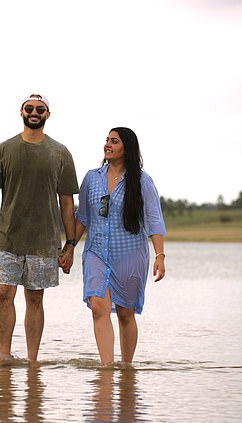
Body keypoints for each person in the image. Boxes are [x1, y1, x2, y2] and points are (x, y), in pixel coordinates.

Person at [0, 94, 79, 362]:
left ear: (47, 115)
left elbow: (67, 203)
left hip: (44, 241)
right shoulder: (2, 151)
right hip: (7, 238)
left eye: (40, 109)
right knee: (3, 293)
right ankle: (4, 356)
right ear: (21, 112)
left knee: (34, 298)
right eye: (30, 108)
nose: (34, 112)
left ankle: (33, 361)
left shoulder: (60, 153)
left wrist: (70, 244)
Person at [71, 127, 166, 366]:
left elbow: (154, 219)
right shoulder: (92, 178)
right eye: (107, 140)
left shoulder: (142, 181)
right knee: (97, 306)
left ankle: (126, 366)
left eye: (114, 141)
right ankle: (107, 368)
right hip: (96, 252)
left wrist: (160, 255)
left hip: (130, 254)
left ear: (127, 148)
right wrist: (69, 246)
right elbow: (82, 217)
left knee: (125, 313)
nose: (108, 145)